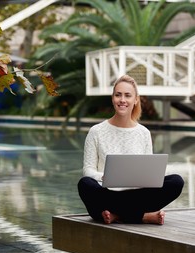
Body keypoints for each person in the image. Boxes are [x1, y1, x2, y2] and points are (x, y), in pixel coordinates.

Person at [77, 74, 184, 225]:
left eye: (127, 95)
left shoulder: (144, 133)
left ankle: (117, 215)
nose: (122, 100)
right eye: (118, 95)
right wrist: (105, 177)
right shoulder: (96, 131)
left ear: (135, 100)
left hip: (136, 195)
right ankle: (144, 216)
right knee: (85, 184)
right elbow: (87, 170)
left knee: (176, 181)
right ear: (112, 98)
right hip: (107, 194)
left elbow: (149, 175)